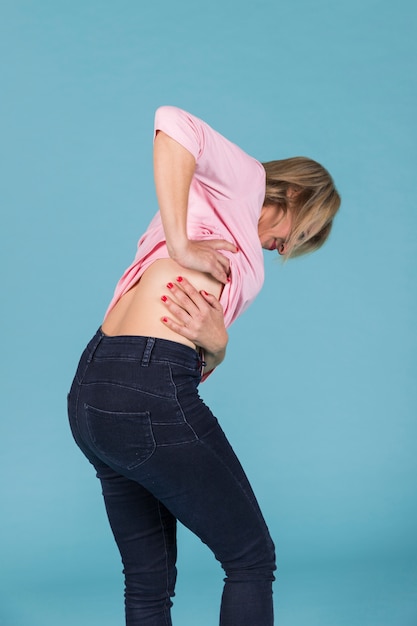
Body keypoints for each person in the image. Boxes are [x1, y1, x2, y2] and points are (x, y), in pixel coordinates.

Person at [67, 105, 340, 626]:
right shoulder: (246, 185)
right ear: (298, 195)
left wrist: (218, 348)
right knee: (251, 559)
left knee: (148, 583)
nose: (286, 247)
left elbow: (188, 339)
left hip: (94, 387)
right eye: (301, 233)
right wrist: (180, 242)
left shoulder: (214, 203)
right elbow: (172, 121)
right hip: (144, 383)